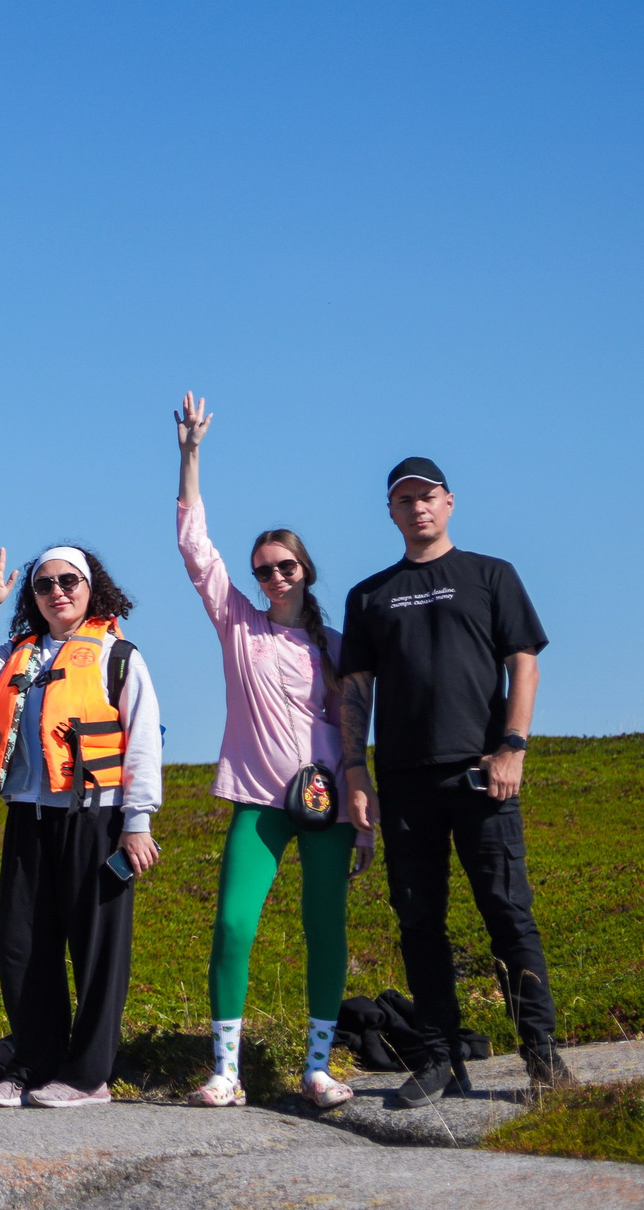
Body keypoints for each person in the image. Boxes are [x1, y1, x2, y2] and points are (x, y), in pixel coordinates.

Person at [340, 456, 572, 1106]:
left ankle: (541, 1055)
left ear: (449, 502)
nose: (417, 507)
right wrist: (356, 770)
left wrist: (513, 747)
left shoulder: (491, 575)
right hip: (405, 782)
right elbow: (355, 690)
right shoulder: (369, 595)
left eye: (428, 496)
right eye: (404, 499)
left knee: (509, 913)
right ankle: (441, 1058)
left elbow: (523, 663)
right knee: (419, 922)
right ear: (390, 512)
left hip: (483, 776)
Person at [172, 395, 369, 1111]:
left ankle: (317, 1069)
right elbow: (196, 547)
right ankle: (226, 1072)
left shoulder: (338, 645)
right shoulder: (238, 624)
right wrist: (191, 454)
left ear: (305, 570)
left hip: (327, 805)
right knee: (232, 924)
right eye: (263, 570)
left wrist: (364, 814)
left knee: (326, 930)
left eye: (285, 566)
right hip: (259, 801)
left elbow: (355, 733)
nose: (274, 577)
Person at [0, 543, 163, 1109]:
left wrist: (138, 822)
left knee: (97, 949)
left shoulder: (119, 656)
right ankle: (33, 1063)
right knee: (23, 946)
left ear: (92, 588)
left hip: (98, 817)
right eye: (44, 585)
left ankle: (90, 1076)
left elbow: (143, 740)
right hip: (29, 815)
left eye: (69, 581)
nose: (57, 592)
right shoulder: (16, 656)